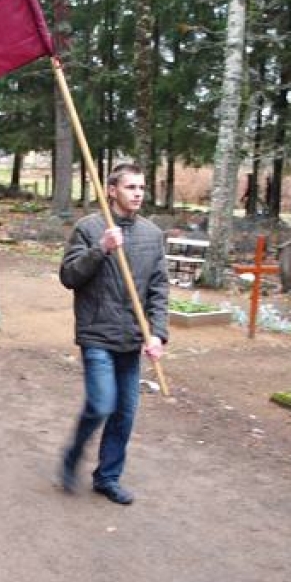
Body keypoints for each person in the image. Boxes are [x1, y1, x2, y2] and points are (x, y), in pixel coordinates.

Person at [58, 162, 169, 506]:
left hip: (131, 338)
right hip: (96, 333)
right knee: (101, 403)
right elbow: (69, 276)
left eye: (141, 187)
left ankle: (107, 477)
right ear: (111, 190)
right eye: (130, 187)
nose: (137, 193)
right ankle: (73, 453)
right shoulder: (90, 229)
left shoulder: (152, 235)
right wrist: (101, 249)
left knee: (124, 412)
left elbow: (159, 289)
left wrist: (157, 335)